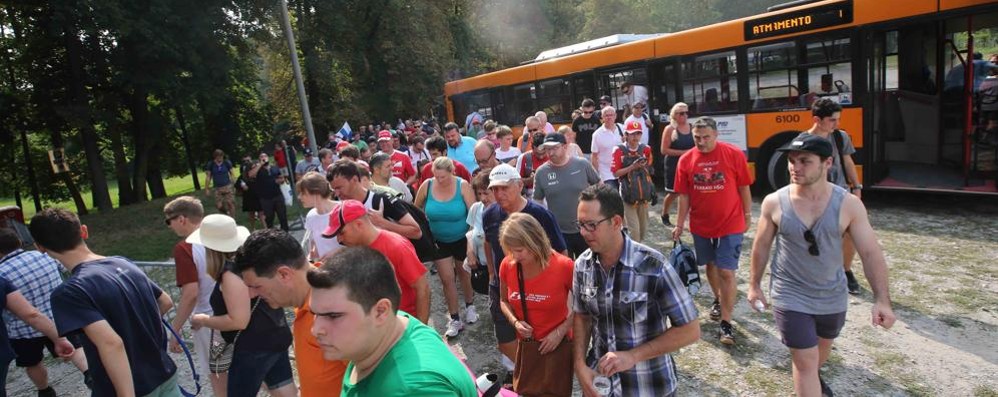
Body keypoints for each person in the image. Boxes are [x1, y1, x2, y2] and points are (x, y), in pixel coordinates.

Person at [748, 134, 896, 397]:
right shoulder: (774, 202)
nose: (795, 167)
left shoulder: (849, 204)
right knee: (805, 362)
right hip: (790, 294)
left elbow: (871, 253)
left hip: (832, 297)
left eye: (805, 161)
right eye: (792, 161)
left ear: (827, 163)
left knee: (815, 359)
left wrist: (882, 299)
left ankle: (811, 382)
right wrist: (754, 285)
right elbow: (761, 246)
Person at [29, 208, 179, 397]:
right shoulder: (122, 262)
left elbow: (111, 343)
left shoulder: (69, 292)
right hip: (163, 372)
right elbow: (165, 301)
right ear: (84, 231)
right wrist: (137, 332)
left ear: (40, 247)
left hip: (128, 388)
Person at [573, 184, 700, 397]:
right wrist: (580, 366)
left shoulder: (654, 266)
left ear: (616, 222)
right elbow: (582, 317)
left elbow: (690, 330)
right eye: (580, 224)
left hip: (648, 386)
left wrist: (633, 356)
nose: (583, 233)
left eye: (591, 225)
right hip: (600, 386)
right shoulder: (582, 266)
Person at [307, 247, 478, 396]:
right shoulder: (396, 324)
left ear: (381, 311)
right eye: (315, 313)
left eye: (333, 316)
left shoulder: (414, 390)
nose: (316, 330)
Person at [187, 214, 296, 397]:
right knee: (284, 389)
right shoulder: (250, 263)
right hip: (274, 333)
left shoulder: (230, 274)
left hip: (252, 347)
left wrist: (203, 319)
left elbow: (238, 321)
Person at [232, 229, 350, 397]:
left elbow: (371, 381)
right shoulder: (307, 302)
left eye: (256, 286)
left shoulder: (334, 311)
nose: (251, 295)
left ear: (284, 274)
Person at [671, 117, 752, 345]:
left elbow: (743, 186)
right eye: (697, 138)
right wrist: (678, 224)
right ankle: (717, 298)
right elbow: (683, 196)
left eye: (706, 137)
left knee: (727, 271)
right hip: (701, 224)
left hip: (731, 222)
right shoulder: (686, 160)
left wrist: (747, 215)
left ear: (716, 135)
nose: (701, 142)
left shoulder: (733, 154)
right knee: (710, 265)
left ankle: (726, 323)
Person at [483, 164, 568, 370]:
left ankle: (532, 375)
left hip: (537, 289)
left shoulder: (540, 215)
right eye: (495, 189)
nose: (499, 193)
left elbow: (561, 253)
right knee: (505, 340)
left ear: (520, 185)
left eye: (504, 188)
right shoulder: (489, 214)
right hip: (503, 285)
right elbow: (488, 243)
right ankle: (524, 371)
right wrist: (492, 274)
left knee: (539, 339)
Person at [0, 229, 89, 396]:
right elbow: (66, 269)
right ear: (19, 242)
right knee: (76, 349)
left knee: (33, 363)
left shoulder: (2, 273)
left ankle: (44, 390)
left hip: (24, 330)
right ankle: (89, 374)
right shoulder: (43, 255)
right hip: (60, 317)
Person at [497, 213, 575, 396]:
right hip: (527, 348)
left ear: (535, 241)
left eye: (519, 250)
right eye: (510, 250)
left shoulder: (564, 266)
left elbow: (584, 307)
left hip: (557, 348)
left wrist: (560, 332)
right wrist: (515, 322)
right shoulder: (507, 265)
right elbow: (503, 300)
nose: (514, 256)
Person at [320, 200, 431, 324]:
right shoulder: (357, 248)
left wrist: (420, 329)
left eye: (341, 233)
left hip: (403, 327)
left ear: (358, 224)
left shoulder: (396, 246)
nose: (339, 239)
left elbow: (422, 288)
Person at [798, 98, 864, 294]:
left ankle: (845, 271)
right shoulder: (803, 142)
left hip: (841, 193)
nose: (837, 124)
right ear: (817, 119)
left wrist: (857, 187)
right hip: (814, 197)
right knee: (814, 237)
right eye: (833, 120)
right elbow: (796, 171)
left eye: (838, 119)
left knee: (850, 233)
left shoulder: (840, 137)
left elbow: (848, 162)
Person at [162, 197, 226, 395]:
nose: (169, 226)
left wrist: (175, 329)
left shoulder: (185, 248)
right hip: (237, 310)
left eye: (169, 221)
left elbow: (190, 294)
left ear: (182, 219)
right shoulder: (221, 235)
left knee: (218, 377)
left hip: (208, 320)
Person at [414, 157, 478, 337]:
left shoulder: (462, 185)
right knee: (446, 279)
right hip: (438, 240)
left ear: (452, 173)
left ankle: (470, 305)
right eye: (436, 176)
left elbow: (473, 214)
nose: (439, 180)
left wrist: (471, 244)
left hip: (461, 238)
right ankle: (455, 318)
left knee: (464, 275)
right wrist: (423, 230)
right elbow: (415, 208)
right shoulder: (427, 185)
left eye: (443, 177)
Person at [0, 275, 76, 395]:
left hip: (22, 334)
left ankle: (45, 390)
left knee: (32, 362)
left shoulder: (4, 270)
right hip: (54, 320)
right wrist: (59, 339)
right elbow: (31, 315)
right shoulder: (2, 280)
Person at [533, 133, 600, 258]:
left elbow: (599, 186)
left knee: (591, 267)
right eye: (547, 149)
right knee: (565, 272)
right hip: (558, 232)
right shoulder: (541, 172)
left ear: (565, 147)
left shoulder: (582, 164)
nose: (550, 152)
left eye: (554, 148)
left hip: (586, 228)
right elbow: (537, 202)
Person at [612, 120, 655, 243]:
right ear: (626, 134)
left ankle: (637, 250)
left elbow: (650, 170)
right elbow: (615, 173)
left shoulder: (646, 149)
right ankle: (633, 255)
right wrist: (632, 167)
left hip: (643, 195)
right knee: (634, 231)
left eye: (638, 133)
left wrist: (652, 190)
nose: (635, 137)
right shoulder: (618, 150)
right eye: (632, 134)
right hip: (627, 195)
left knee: (643, 230)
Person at [659, 103, 694, 227]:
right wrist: (683, 153)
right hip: (674, 165)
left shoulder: (692, 127)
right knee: (674, 193)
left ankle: (689, 218)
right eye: (681, 113)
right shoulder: (670, 129)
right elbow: (664, 150)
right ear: (675, 115)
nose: (685, 115)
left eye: (686, 112)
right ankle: (665, 213)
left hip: (690, 165)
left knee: (689, 192)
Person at [297, 172, 344, 260]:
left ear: (316, 193)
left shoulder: (344, 210)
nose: (299, 197)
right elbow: (314, 249)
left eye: (303, 193)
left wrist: (337, 252)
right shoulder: (311, 216)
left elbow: (361, 243)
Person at [249, 152, 289, 231]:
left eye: (265, 156)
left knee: (282, 216)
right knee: (269, 217)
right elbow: (251, 175)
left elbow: (281, 178)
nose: (264, 158)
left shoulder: (274, 167)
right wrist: (260, 164)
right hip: (266, 198)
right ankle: (271, 233)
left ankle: (285, 232)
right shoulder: (258, 169)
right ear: (259, 159)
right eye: (261, 157)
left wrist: (281, 180)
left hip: (277, 195)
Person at [464, 172, 495, 277]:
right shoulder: (476, 208)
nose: (482, 198)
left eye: (486, 193)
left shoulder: (506, 211)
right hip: (482, 266)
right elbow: (471, 232)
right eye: (479, 194)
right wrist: (470, 252)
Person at [591, 106, 624, 189]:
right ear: (602, 117)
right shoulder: (597, 134)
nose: (609, 117)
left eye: (611, 115)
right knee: (612, 197)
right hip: (606, 173)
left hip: (623, 170)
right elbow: (594, 156)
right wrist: (596, 176)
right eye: (606, 115)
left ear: (615, 116)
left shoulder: (623, 129)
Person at [515, 131, 549, 198]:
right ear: (532, 147)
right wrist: (530, 180)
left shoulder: (553, 156)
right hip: (531, 195)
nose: (541, 156)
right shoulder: (524, 157)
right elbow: (516, 182)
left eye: (543, 153)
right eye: (538, 154)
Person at [205, 149, 237, 216]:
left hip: (227, 185)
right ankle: (226, 213)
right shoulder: (211, 164)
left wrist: (234, 183)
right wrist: (207, 188)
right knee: (219, 206)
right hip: (217, 187)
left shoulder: (226, 163)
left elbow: (232, 173)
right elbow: (208, 177)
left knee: (230, 203)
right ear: (215, 157)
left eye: (221, 156)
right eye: (218, 157)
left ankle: (233, 219)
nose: (220, 158)